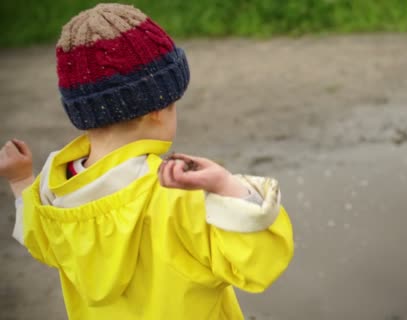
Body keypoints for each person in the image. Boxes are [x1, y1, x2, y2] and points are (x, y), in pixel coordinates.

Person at [0, 3, 293, 320]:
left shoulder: (56, 190)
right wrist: (227, 188)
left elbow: (41, 240)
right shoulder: (173, 194)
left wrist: (20, 181)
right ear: (156, 108)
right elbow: (259, 264)